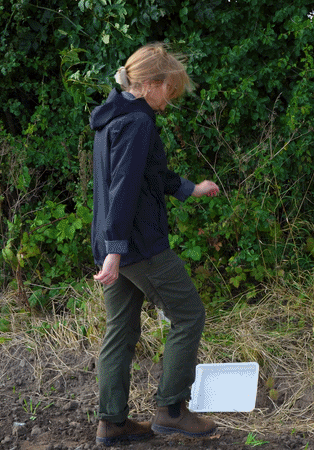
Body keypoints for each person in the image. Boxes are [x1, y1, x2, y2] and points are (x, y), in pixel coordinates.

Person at [89, 42, 220, 446]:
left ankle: (112, 423)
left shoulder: (113, 118)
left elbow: (148, 177)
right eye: (169, 90)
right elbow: (124, 190)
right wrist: (116, 251)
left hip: (116, 243)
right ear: (149, 85)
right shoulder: (138, 124)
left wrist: (191, 189)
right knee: (189, 316)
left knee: (120, 330)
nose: (170, 100)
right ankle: (172, 410)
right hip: (137, 245)